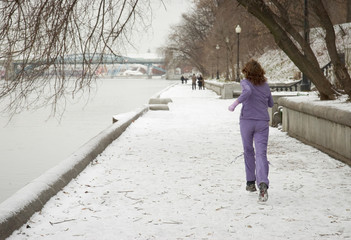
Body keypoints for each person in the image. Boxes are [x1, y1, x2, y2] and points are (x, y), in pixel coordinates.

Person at [228, 59, 274, 202]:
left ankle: (250, 182)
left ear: (246, 72)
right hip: (262, 122)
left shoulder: (245, 83)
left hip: (247, 121)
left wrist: (235, 103)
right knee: (261, 153)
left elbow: (247, 92)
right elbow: (271, 103)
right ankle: (263, 184)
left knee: (248, 151)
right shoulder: (265, 86)